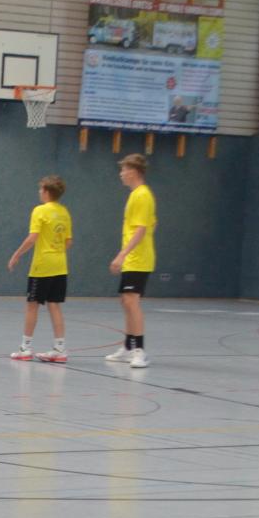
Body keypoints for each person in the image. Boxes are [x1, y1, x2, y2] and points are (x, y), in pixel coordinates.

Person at [6, 175, 72, 362]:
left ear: (46, 192)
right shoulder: (64, 212)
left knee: (32, 306)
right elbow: (68, 241)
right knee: (54, 305)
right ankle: (60, 349)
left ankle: (25, 348)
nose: (39, 192)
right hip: (60, 265)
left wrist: (16, 254)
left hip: (42, 266)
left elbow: (32, 238)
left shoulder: (40, 211)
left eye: (41, 189)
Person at [106, 153, 155, 367]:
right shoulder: (137, 195)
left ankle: (139, 351)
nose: (121, 174)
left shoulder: (142, 195)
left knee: (132, 301)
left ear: (133, 172)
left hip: (139, 259)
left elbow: (141, 229)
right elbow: (153, 223)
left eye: (124, 170)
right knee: (126, 301)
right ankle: (127, 347)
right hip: (133, 258)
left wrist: (122, 254)